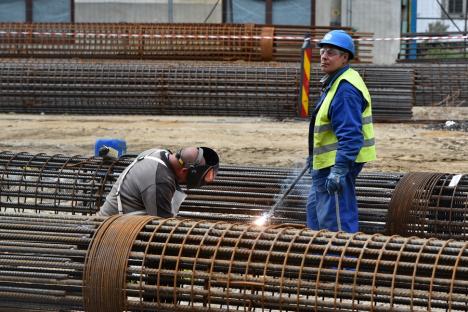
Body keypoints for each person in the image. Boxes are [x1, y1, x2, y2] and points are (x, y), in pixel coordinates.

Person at [306, 30, 376, 233]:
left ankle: (343, 265)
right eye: (322, 52)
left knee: (335, 226)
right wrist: (313, 157)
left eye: (331, 52)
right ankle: (318, 262)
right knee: (316, 218)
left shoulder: (345, 89)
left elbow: (351, 136)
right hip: (325, 164)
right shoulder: (335, 82)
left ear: (345, 57)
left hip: (336, 166)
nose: (324, 57)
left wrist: (339, 170)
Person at [97, 146, 219, 217]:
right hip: (110, 229)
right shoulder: (160, 182)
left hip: (118, 220)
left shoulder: (160, 152)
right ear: (184, 171)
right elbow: (160, 230)